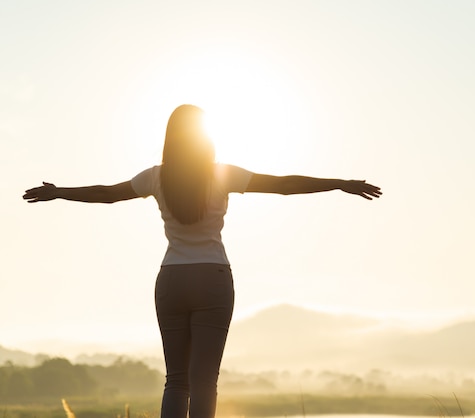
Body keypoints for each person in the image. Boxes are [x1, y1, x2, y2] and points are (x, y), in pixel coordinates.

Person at [22, 104, 382, 418]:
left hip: (172, 281)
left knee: (176, 380)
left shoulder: (156, 176)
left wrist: (59, 193)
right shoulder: (221, 174)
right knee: (204, 380)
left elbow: (107, 195)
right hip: (213, 279)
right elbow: (283, 185)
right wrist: (338, 183)